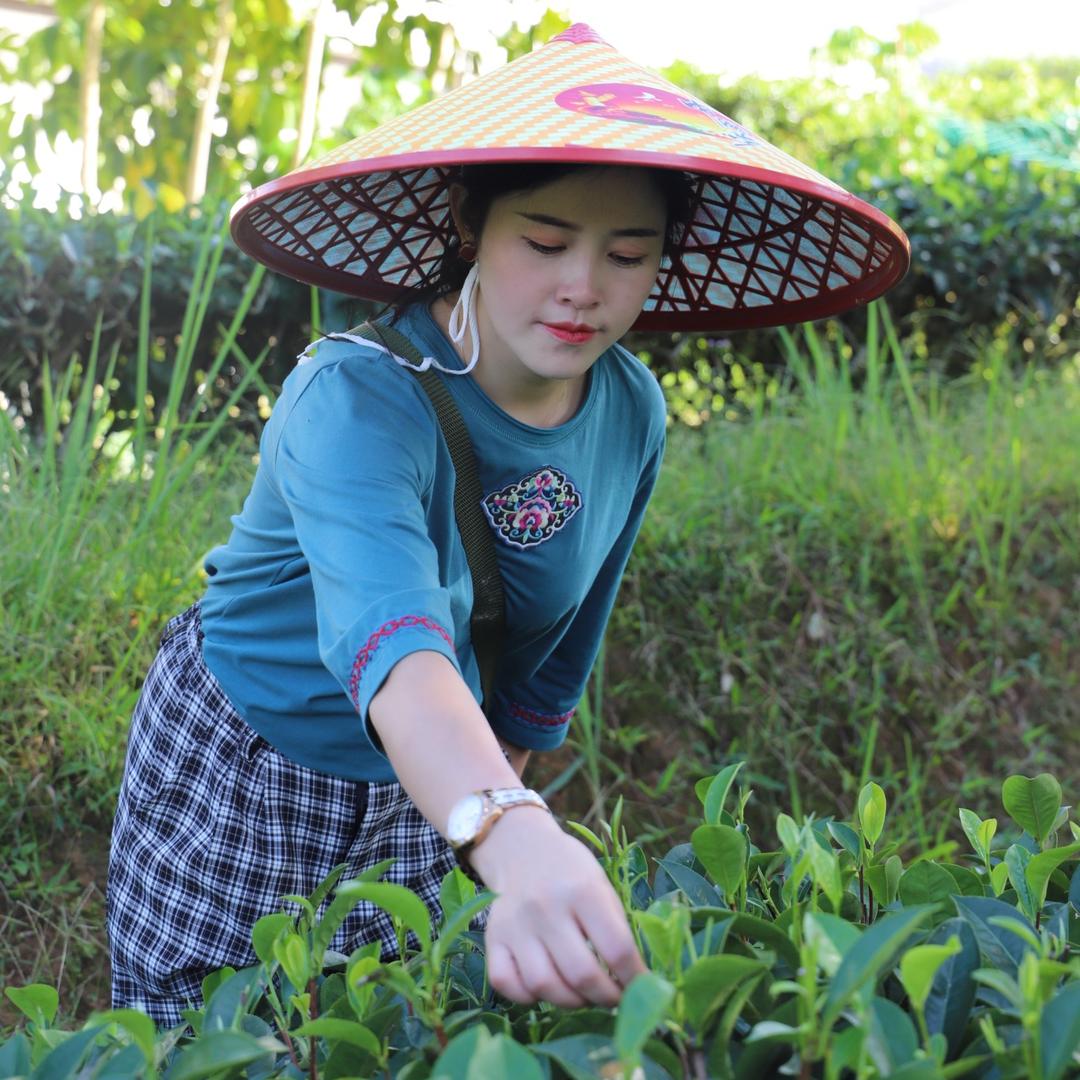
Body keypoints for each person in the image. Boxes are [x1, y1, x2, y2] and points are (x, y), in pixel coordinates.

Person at [107, 24, 909, 1028]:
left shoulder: (630, 410)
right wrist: (511, 833)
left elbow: (559, 650)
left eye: (628, 254)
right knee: (207, 1034)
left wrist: (493, 796)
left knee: (390, 1027)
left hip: (444, 777)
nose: (584, 287)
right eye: (544, 242)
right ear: (468, 224)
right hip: (261, 761)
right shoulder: (352, 398)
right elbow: (396, 645)